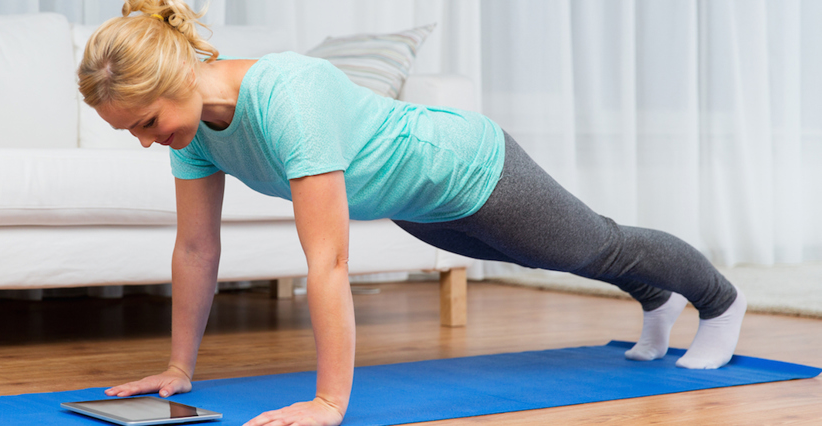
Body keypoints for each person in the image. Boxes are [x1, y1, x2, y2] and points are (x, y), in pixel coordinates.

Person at [77, 1, 747, 425]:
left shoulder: (287, 95)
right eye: (129, 132)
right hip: (411, 204)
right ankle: (655, 294)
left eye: (146, 122)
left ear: (178, 79)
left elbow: (329, 261)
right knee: (542, 253)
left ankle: (718, 301)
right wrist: (178, 369)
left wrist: (330, 402)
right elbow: (196, 250)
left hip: (467, 166)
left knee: (589, 246)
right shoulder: (191, 134)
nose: (145, 140)